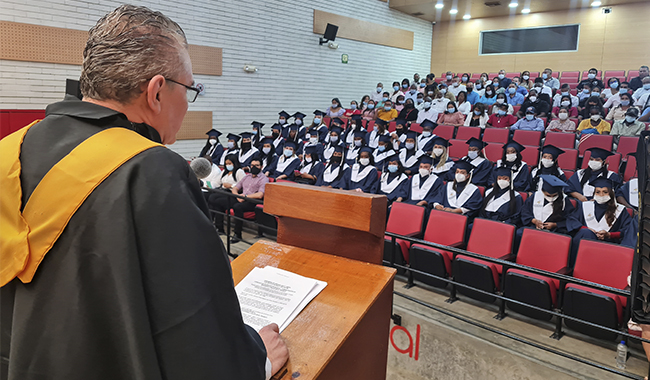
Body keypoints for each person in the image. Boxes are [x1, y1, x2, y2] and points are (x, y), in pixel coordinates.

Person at [0, 5, 288, 379]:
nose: (188, 101)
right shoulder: (150, 170)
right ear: (156, 92)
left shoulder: (9, 150)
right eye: (190, 89)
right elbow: (191, 324)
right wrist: (256, 359)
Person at [570, 177, 636, 266]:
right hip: (583, 242)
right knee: (585, 233)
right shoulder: (585, 206)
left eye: (605, 192)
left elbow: (627, 231)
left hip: (606, 246)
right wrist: (587, 229)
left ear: (611, 193)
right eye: (598, 192)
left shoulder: (620, 210)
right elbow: (572, 221)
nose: (601, 195)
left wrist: (609, 235)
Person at [517, 175, 581, 247]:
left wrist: (555, 225)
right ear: (542, 191)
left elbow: (571, 219)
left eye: (554, 195)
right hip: (534, 227)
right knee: (519, 233)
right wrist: (534, 221)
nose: (551, 198)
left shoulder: (564, 200)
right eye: (548, 195)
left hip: (554, 230)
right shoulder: (535, 196)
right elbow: (525, 211)